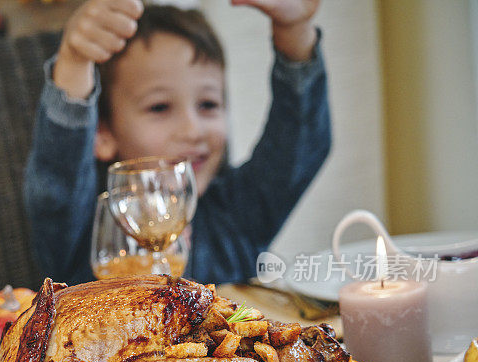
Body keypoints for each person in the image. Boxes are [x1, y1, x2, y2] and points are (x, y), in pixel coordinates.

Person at [23, 0, 330, 285]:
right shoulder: (86, 233)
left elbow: (298, 147)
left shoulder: (237, 212)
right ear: (101, 135)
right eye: (160, 107)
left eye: (208, 104)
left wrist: (294, 31)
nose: (192, 129)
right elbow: (57, 182)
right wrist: (76, 62)